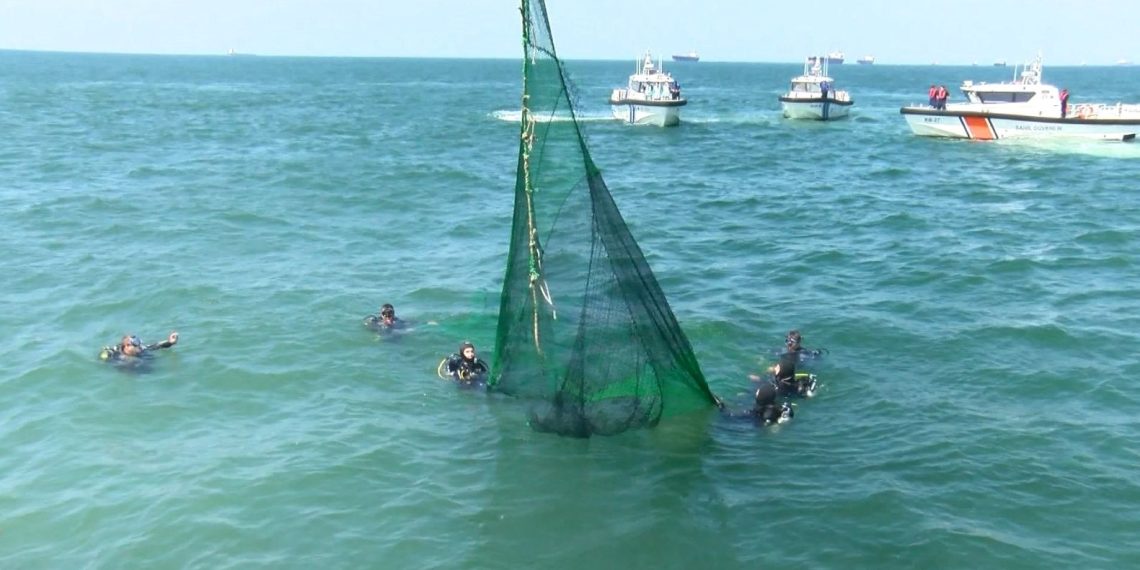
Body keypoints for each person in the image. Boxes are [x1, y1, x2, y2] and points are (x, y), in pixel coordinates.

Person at [99, 331, 179, 362]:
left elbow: (157, 345)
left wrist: (170, 342)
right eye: (136, 346)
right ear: (127, 346)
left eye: (139, 344)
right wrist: (105, 354)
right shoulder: (114, 352)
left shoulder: (141, 349)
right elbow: (103, 357)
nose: (139, 347)